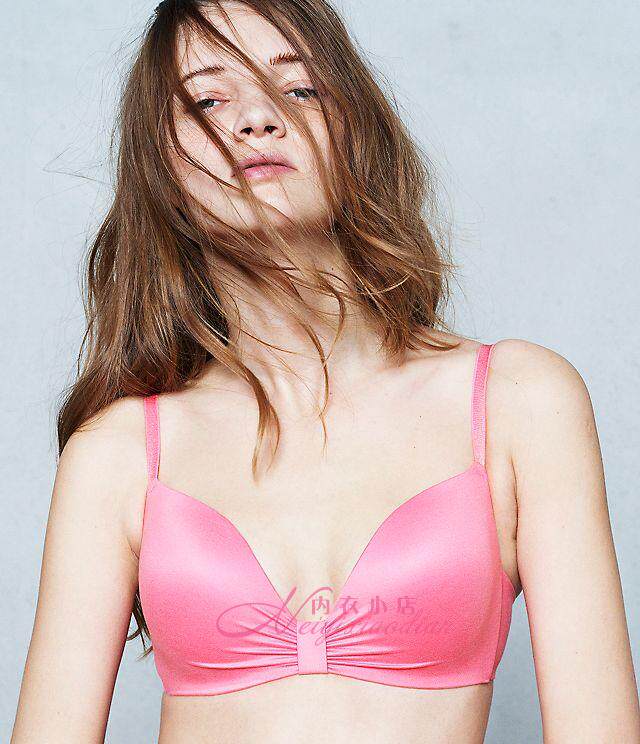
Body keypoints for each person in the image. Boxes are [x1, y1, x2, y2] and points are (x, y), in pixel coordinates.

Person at [11, 1, 640, 742]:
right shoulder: (117, 453)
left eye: (300, 88)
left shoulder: (519, 401)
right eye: (208, 100)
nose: (257, 118)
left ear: (357, 134)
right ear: (161, 167)